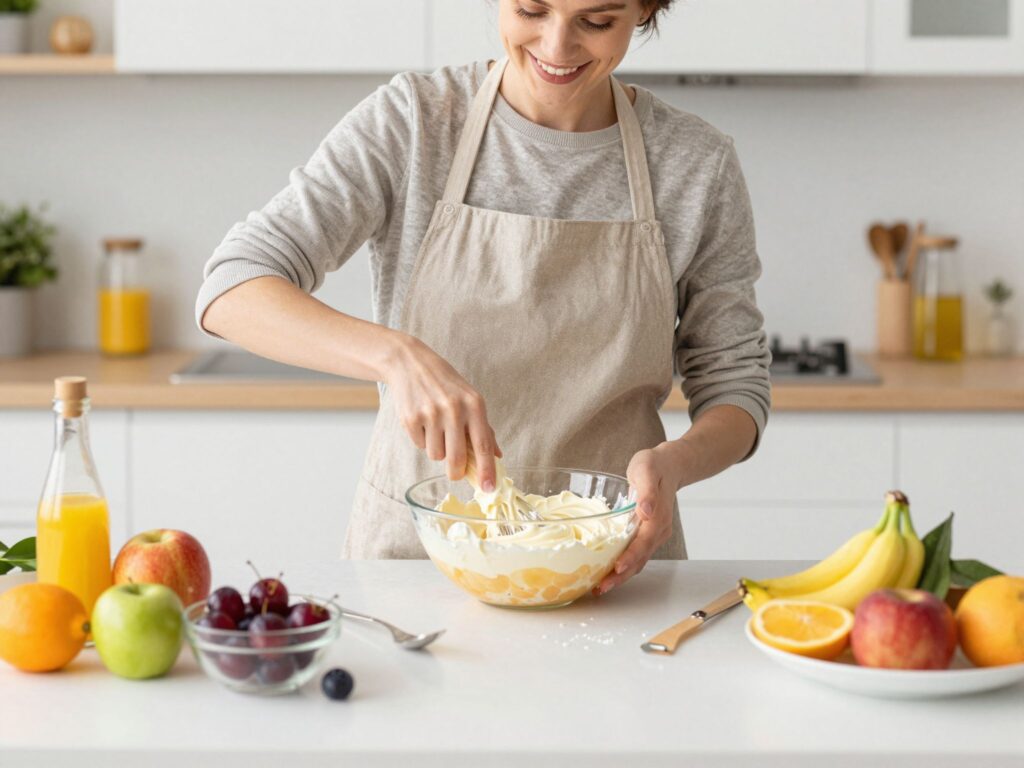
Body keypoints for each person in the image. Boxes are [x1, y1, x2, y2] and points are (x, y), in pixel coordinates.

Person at [197, 0, 771, 596]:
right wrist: (398, 358)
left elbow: (736, 385)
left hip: (611, 567)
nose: (556, 46)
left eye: (596, 22)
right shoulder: (415, 121)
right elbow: (233, 285)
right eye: (531, 10)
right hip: (417, 570)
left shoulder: (695, 163)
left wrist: (674, 465)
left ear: (646, 9)